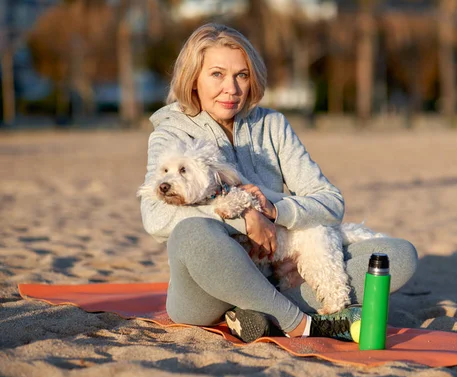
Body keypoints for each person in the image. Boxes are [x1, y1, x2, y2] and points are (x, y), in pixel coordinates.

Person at [140, 23, 418, 343]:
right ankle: (297, 321)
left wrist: (272, 209)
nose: (231, 88)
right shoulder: (170, 132)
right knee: (193, 232)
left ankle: (258, 314)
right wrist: (246, 219)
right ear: (193, 78)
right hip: (206, 291)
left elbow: (330, 202)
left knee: (397, 256)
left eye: (241, 75)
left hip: (279, 271)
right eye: (217, 74)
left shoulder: (272, 125)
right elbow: (155, 217)